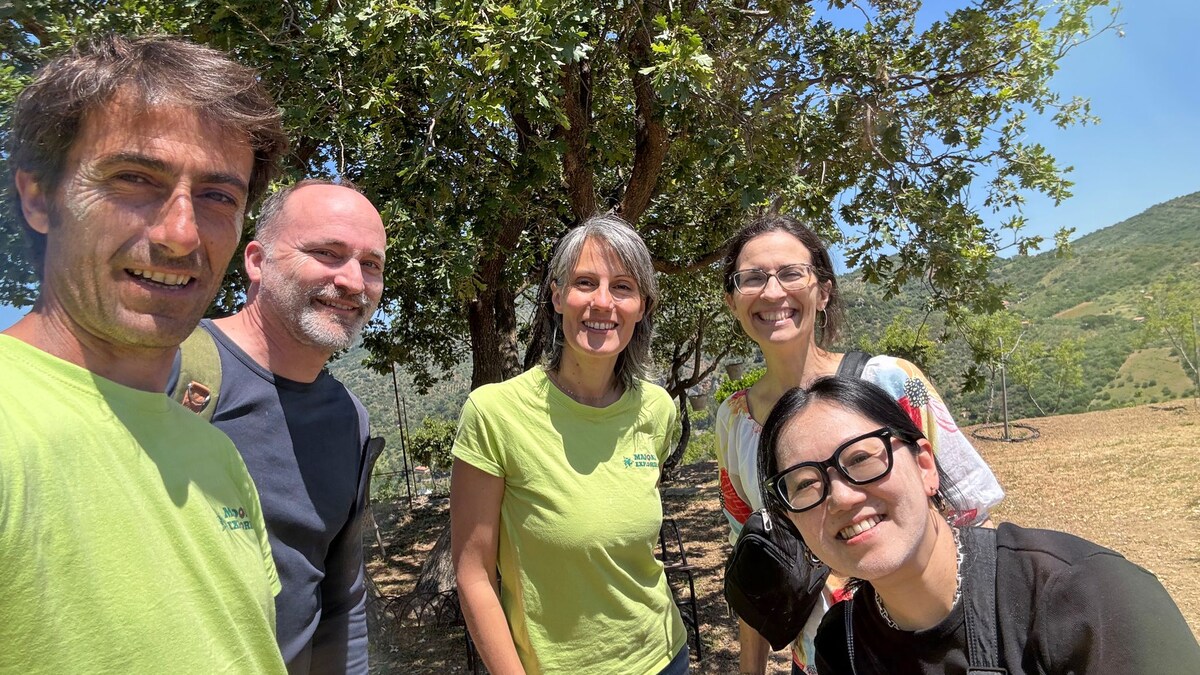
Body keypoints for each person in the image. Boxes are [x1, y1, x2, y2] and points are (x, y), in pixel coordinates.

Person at [0, 34, 288, 672]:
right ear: (39, 198)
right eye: (135, 179)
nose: (181, 235)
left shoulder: (215, 456)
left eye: (217, 196)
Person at [714, 213, 1006, 674]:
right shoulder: (733, 422)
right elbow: (751, 560)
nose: (773, 292)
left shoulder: (891, 382)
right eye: (752, 279)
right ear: (732, 301)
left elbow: (971, 515)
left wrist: (989, 643)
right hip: (817, 661)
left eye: (791, 273)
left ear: (823, 290)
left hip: (925, 654)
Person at [758, 376, 1200, 673]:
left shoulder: (1084, 596)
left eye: (860, 458)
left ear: (926, 466)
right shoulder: (844, 645)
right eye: (804, 485)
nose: (841, 497)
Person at [450, 214, 689, 675]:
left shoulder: (656, 409)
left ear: (642, 306)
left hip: (664, 657)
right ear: (557, 296)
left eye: (623, 287)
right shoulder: (495, 413)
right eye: (585, 282)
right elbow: (474, 572)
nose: (603, 302)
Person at [173, 179, 385, 674]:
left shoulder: (348, 418)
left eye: (370, 264)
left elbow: (341, 598)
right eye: (327, 253)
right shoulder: (170, 371)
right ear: (256, 261)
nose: (353, 281)